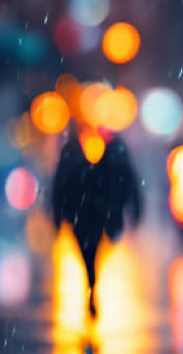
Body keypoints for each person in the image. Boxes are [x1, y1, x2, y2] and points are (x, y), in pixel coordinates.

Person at [51, 130, 142, 320]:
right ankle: (92, 283)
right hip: (92, 215)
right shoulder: (113, 161)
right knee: (92, 254)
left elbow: (58, 191)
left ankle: (91, 283)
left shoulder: (72, 163)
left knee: (89, 254)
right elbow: (129, 187)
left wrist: (60, 217)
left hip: (84, 216)